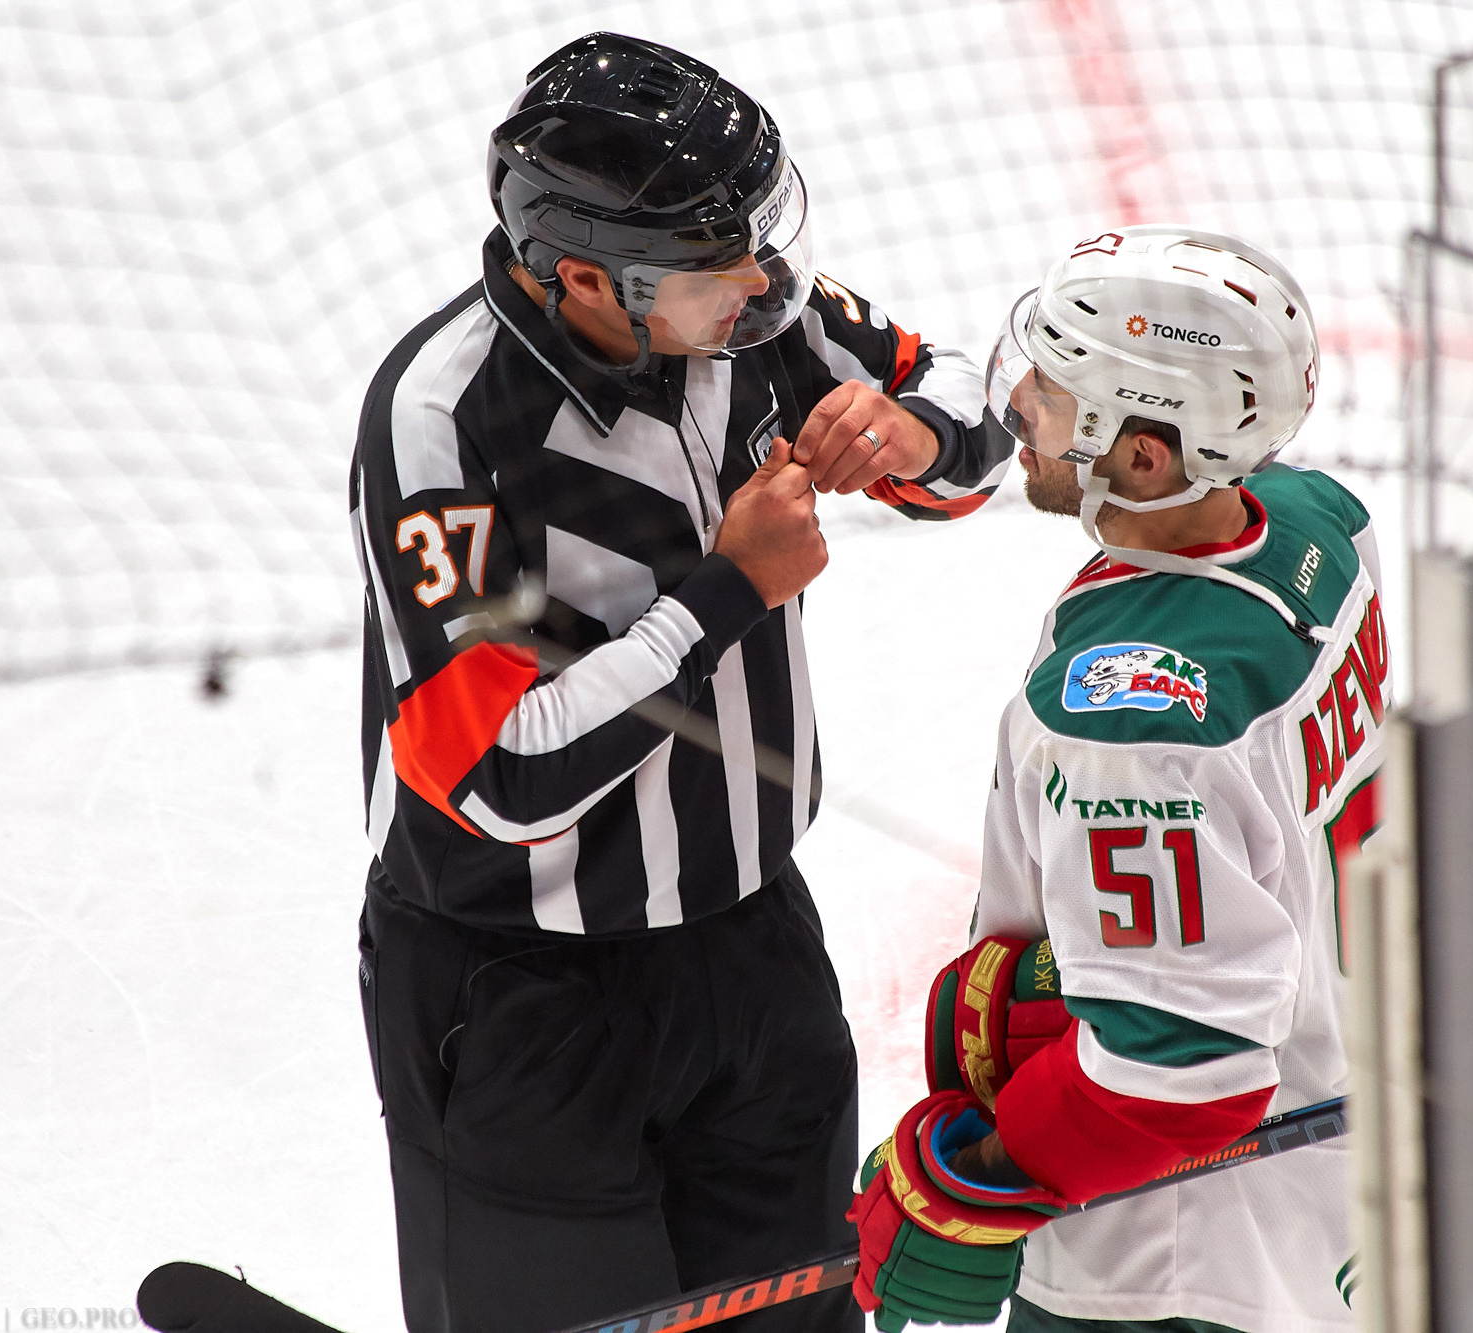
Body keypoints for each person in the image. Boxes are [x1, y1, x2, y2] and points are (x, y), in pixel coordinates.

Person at [347, 32, 1009, 1333]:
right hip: (521, 999)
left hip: (753, 952)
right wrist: (727, 592)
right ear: (588, 278)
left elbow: (966, 417)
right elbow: (494, 771)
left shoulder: (746, 317)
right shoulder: (444, 423)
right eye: (721, 264)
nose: (761, 280)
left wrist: (907, 431)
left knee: (800, 1317)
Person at [848, 226, 1388, 1333]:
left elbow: (1179, 1063)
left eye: (1053, 394)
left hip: (1170, 1250)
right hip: (1332, 1155)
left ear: (1145, 457)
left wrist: (979, 1179)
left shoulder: (1130, 723)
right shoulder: (1318, 525)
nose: (1018, 408)